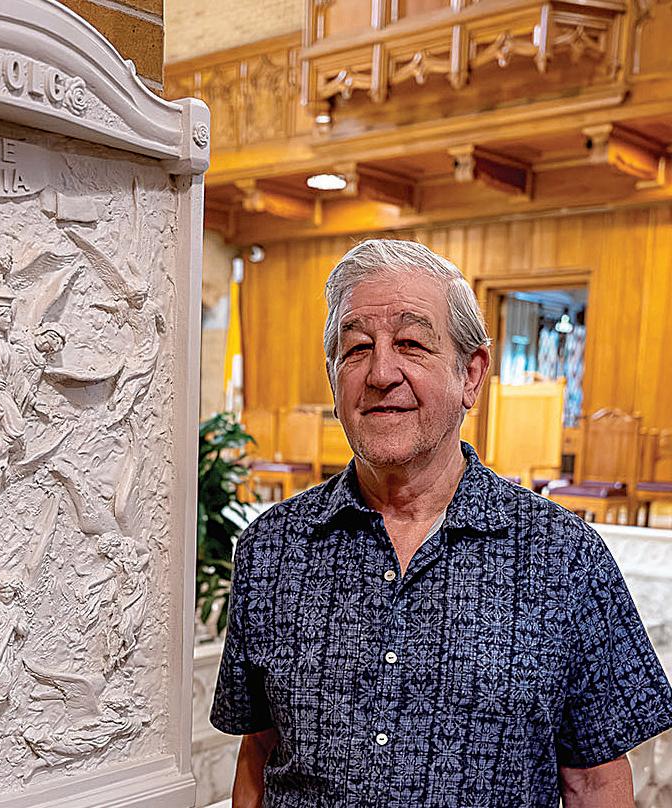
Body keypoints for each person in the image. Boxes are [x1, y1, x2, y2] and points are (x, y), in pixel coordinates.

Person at [211, 239, 672, 807]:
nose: (381, 372)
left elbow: (595, 781)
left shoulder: (564, 557)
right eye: (356, 349)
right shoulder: (272, 548)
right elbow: (260, 752)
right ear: (332, 377)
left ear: (470, 375)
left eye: (411, 343)